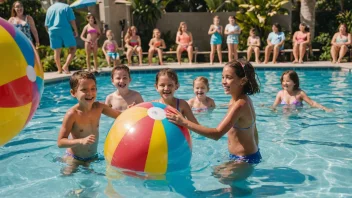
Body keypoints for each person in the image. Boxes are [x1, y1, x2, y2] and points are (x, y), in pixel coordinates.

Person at [167, 59, 261, 181]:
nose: (223, 82)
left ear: (242, 81)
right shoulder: (239, 100)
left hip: (244, 159)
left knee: (227, 182)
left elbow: (217, 134)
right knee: (217, 173)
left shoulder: (240, 104)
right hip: (244, 156)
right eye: (223, 77)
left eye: (228, 78)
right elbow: (254, 129)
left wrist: (183, 122)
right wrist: (255, 149)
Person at [57, 71, 121, 175]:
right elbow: (60, 142)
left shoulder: (99, 107)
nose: (89, 93)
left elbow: (120, 116)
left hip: (93, 157)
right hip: (74, 159)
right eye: (84, 90)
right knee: (67, 176)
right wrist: (81, 141)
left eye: (93, 88)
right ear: (73, 93)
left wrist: (131, 110)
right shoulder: (72, 114)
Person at [45, 0, 78, 74]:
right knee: (73, 48)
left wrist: (49, 33)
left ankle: (59, 70)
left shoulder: (50, 9)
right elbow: (72, 20)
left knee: (56, 51)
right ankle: (65, 66)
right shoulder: (67, 7)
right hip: (65, 29)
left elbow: (46, 25)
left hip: (53, 30)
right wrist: (75, 30)